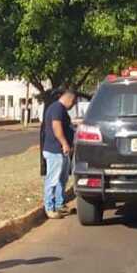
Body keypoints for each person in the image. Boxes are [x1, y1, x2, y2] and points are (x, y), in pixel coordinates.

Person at [41, 89, 76, 219]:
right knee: (52, 179)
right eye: (73, 102)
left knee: (62, 179)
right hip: (55, 150)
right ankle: (49, 208)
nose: (73, 105)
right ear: (69, 99)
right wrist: (64, 143)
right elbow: (56, 127)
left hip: (61, 151)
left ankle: (60, 204)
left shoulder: (60, 109)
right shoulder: (57, 108)